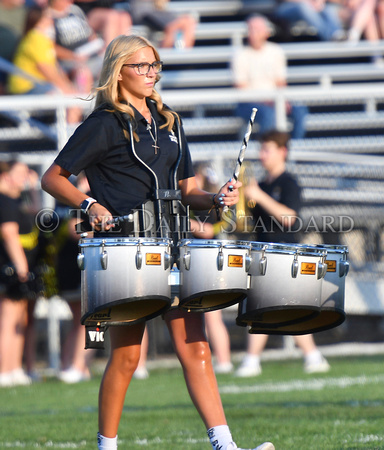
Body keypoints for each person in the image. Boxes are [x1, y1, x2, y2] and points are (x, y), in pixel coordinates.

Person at [41, 34, 274, 450]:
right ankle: (106, 446)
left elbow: (187, 191)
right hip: (127, 250)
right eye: (141, 66)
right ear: (118, 70)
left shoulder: (170, 121)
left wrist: (217, 198)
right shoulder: (102, 124)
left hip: (176, 245)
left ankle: (225, 445)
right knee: (128, 357)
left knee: (196, 348)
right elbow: (53, 177)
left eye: (155, 66)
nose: (151, 74)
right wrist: (90, 203)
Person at [234, 129, 330, 378]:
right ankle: (312, 357)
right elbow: (246, 222)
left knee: (271, 307)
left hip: (287, 254)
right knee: (271, 307)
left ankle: (254, 360)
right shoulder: (262, 185)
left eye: (268, 149)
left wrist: (259, 196)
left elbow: (289, 218)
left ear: (282, 152)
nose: (262, 154)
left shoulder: (289, 183)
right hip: (263, 253)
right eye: (262, 149)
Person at [231, 14, 308, 140]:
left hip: (274, 100)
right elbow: (242, 89)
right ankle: (267, 148)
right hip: (249, 103)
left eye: (257, 30)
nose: (253, 33)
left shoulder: (276, 51)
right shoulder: (240, 55)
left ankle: (291, 149)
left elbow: (281, 82)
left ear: (266, 32)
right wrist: (269, 101)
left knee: (300, 111)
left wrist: (283, 100)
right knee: (268, 114)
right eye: (251, 30)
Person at [0, 160, 41, 387]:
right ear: (6, 176)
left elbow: (34, 211)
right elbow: (9, 234)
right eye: (20, 173)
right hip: (10, 266)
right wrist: (21, 266)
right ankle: (3, 370)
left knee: (20, 319)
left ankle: (14, 367)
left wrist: (33, 188)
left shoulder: (16, 200)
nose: (26, 176)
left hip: (21, 265)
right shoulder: (4, 200)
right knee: (8, 320)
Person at [7, 4, 82, 122]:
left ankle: (73, 132)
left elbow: (55, 69)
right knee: (68, 99)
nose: (52, 19)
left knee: (74, 89)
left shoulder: (42, 38)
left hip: (38, 86)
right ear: (40, 19)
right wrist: (69, 91)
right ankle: (72, 136)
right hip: (25, 90)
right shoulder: (35, 39)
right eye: (48, 16)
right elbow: (47, 71)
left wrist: (70, 88)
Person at [55, 172, 95, 383]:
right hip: (80, 265)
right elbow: (74, 228)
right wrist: (102, 234)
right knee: (90, 319)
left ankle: (69, 365)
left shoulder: (61, 193)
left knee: (79, 320)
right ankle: (78, 366)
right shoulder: (85, 195)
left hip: (66, 264)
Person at [128, 0, 198, 48]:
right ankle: (167, 56)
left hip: (155, 11)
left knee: (188, 21)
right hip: (144, 13)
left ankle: (179, 54)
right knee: (182, 22)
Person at [273, 0, 344, 41]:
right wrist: (308, 3)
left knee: (328, 9)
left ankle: (338, 33)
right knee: (303, 7)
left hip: (309, 7)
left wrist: (319, 3)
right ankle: (329, 37)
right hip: (284, 8)